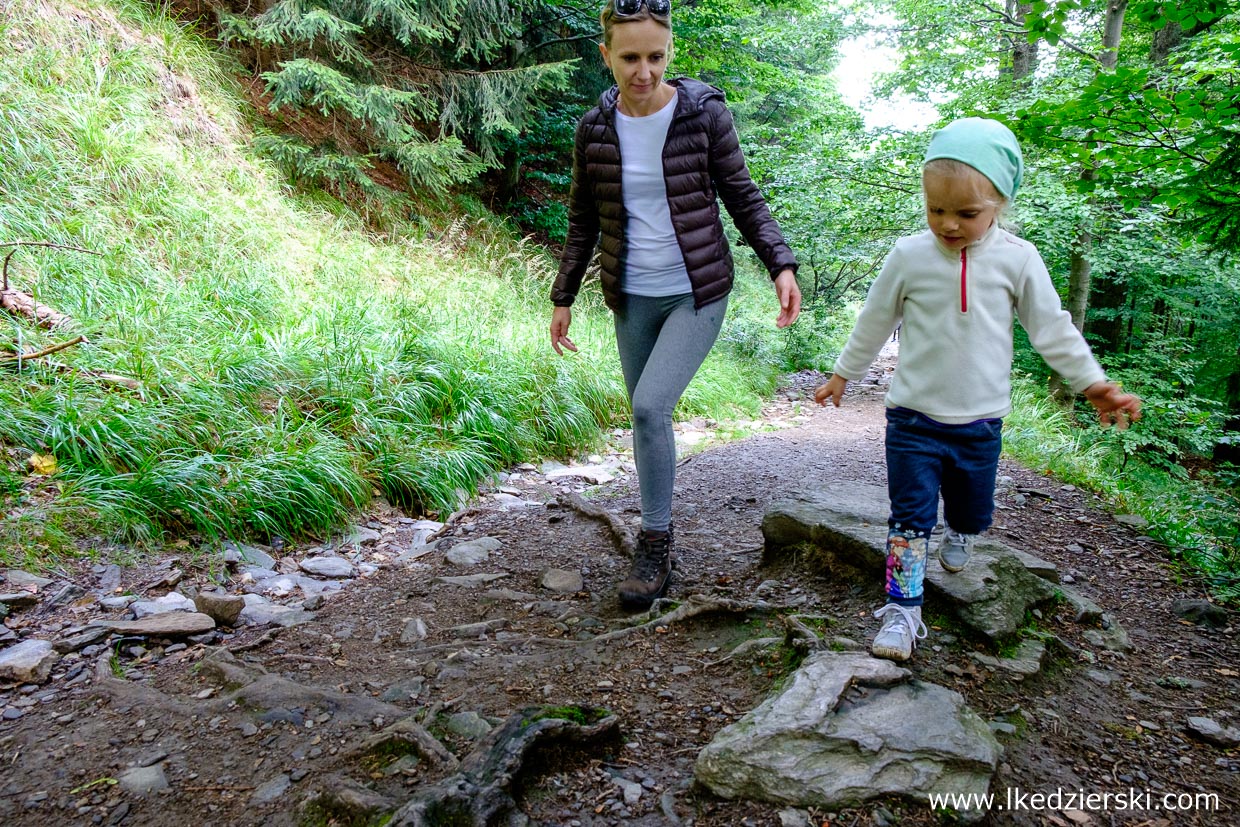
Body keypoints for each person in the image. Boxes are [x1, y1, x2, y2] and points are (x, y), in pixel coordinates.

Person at [814, 117, 1142, 661]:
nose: (948, 224)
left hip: (980, 422)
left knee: (971, 511)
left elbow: (1051, 327)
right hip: (913, 418)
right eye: (935, 209)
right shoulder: (909, 257)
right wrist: (843, 373)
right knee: (909, 518)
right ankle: (902, 611)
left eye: (966, 213)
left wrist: (1092, 384)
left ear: (1000, 204)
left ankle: (961, 532)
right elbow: (873, 319)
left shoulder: (1018, 260)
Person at [550, 0, 801, 610]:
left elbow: (742, 194)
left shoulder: (702, 116)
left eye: (655, 56)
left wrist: (780, 263)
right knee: (646, 419)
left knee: (649, 402)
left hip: (697, 288)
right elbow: (584, 218)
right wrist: (563, 296)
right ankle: (659, 535)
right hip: (630, 295)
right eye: (629, 57)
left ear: (670, 51)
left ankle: (655, 544)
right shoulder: (594, 129)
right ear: (606, 55)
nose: (644, 71)